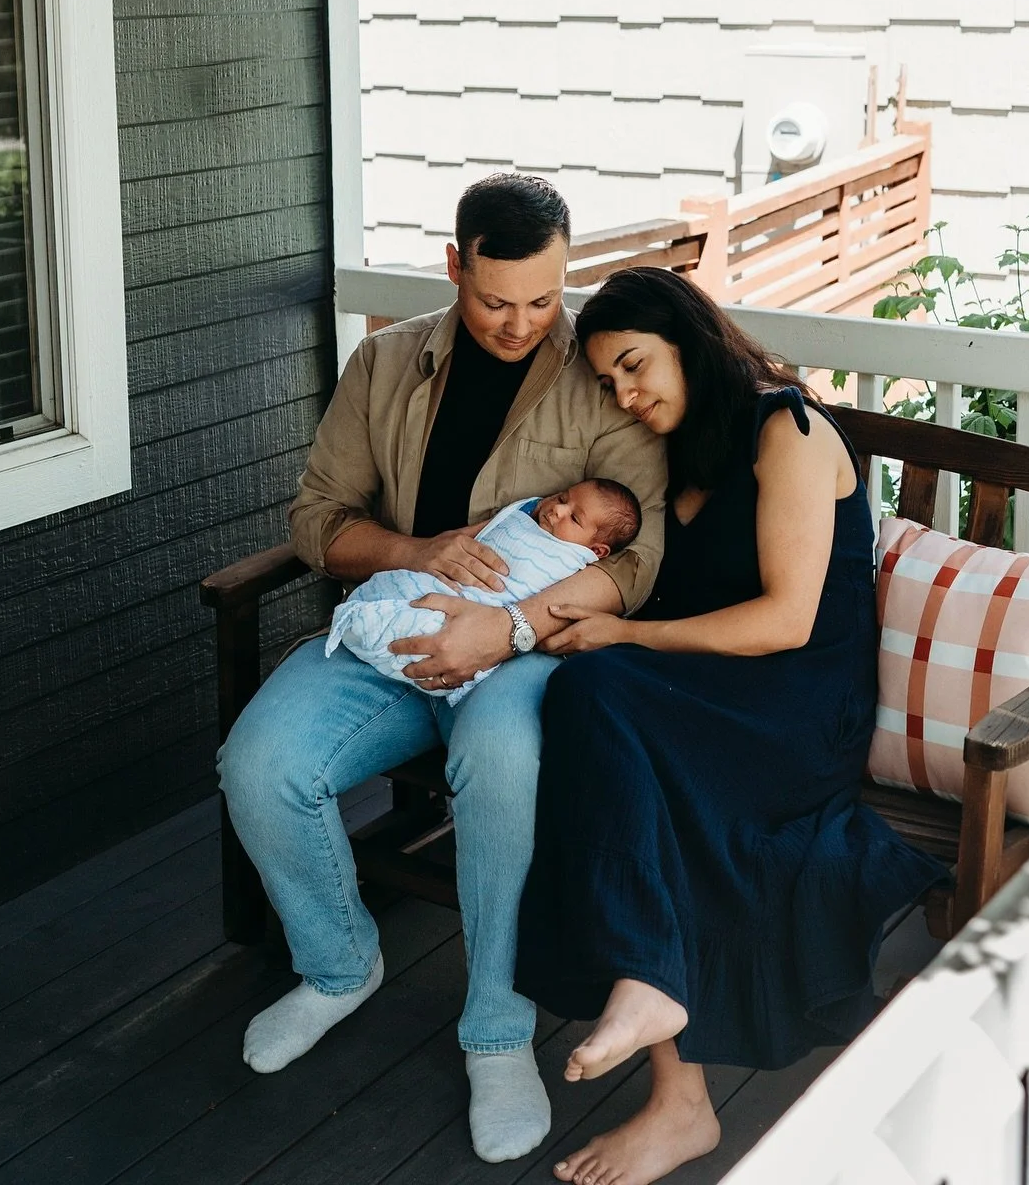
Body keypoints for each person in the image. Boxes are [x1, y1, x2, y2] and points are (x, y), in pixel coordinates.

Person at [217, 175, 666, 1165]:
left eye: (543, 300)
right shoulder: (385, 363)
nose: (519, 324)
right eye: (496, 299)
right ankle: (338, 967)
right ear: (456, 265)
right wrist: (417, 555)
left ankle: (499, 1034)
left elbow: (642, 558)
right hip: (391, 632)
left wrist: (504, 633)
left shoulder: (597, 382)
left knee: (502, 767)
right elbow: (316, 520)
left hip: (520, 652)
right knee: (259, 766)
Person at [515, 268, 944, 1185]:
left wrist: (624, 632)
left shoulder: (786, 431)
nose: (627, 396)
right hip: (716, 691)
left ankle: (661, 1024)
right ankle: (669, 1055)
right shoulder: (680, 452)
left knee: (601, 693)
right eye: (609, 383)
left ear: (689, 341)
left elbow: (787, 620)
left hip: (797, 705)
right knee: (595, 702)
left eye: (635, 367)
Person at [326, 479, 643, 701]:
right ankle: (371, 616)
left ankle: (374, 626)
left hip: (495, 635)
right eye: (562, 498)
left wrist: (507, 627)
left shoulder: (573, 561)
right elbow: (486, 536)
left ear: (597, 550)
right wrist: (413, 551)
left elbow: (629, 572)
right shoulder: (524, 516)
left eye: (574, 518)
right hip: (439, 581)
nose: (557, 510)